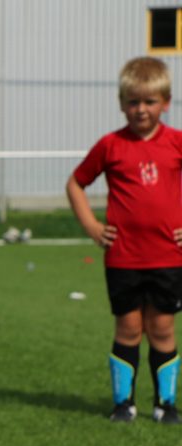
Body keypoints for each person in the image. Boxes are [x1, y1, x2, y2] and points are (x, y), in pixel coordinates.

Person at [66, 56, 182, 424]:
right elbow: (76, 183)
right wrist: (92, 226)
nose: (141, 109)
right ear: (121, 103)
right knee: (129, 327)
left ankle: (166, 405)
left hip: (168, 257)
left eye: (149, 102)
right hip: (123, 258)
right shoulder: (111, 145)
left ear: (165, 102)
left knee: (162, 328)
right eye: (133, 101)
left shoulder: (177, 142)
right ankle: (123, 405)